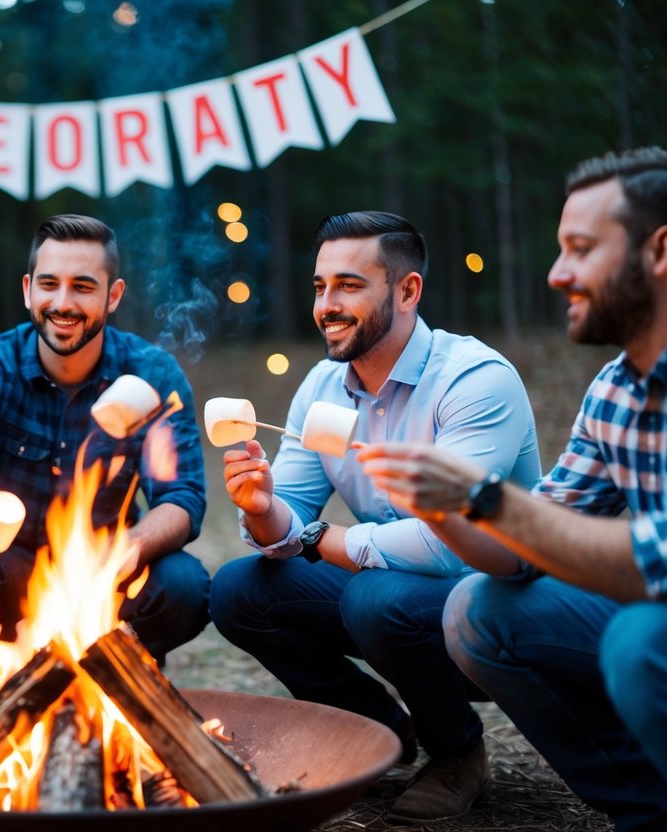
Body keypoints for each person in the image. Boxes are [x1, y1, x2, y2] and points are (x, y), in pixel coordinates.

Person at [359, 147, 667, 831]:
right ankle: (645, 809)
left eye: (580, 249)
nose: (557, 275)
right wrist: (441, 507)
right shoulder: (614, 390)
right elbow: (528, 550)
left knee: (639, 640)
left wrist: (487, 495)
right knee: (479, 610)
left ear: (659, 250)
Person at [209, 211, 542, 823]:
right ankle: (379, 731)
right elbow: (287, 524)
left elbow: (448, 546)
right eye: (319, 287)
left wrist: (319, 537)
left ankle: (457, 753)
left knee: (377, 596)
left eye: (349, 286)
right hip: (396, 598)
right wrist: (261, 509)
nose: (327, 305)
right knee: (237, 590)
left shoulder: (474, 382)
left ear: (408, 290)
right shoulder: (322, 389)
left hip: (503, 604)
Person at [0, 214, 210, 684]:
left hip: (109, 571)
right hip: (12, 568)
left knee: (185, 583)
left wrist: (121, 553)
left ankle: (120, 679)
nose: (63, 303)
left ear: (113, 296)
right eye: (50, 284)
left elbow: (182, 499)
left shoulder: (152, 372)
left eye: (83, 287)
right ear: (28, 289)